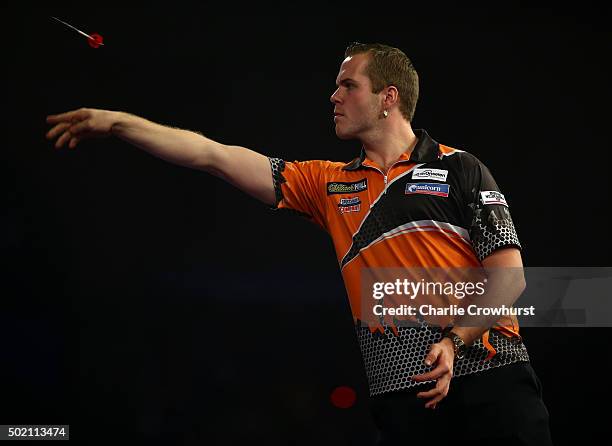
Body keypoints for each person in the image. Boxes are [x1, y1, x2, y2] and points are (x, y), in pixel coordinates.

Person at [46, 42, 552, 445]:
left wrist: (453, 341)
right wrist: (119, 123)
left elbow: (510, 277)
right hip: (403, 397)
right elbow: (212, 155)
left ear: (388, 97)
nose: (333, 96)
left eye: (347, 85)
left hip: (492, 381)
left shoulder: (459, 167)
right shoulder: (326, 184)